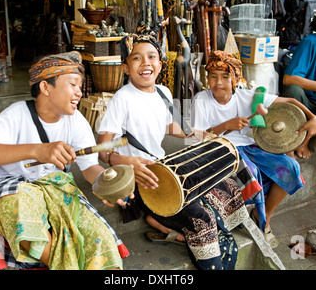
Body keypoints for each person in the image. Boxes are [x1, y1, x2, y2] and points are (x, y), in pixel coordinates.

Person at [97, 33, 251, 270]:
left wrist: (200, 134)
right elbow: (102, 147)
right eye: (136, 58)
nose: (146, 63)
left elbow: (169, 125)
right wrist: (125, 160)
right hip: (143, 178)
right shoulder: (122, 98)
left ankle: (169, 227)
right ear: (126, 67)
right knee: (201, 217)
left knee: (227, 186)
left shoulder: (163, 92)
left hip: (165, 166)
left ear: (160, 63)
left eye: (151, 57)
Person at [0, 51, 128, 270]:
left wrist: (105, 185)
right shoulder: (16, 114)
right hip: (15, 187)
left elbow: (89, 166)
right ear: (45, 87)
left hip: (57, 188)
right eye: (73, 84)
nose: (79, 92)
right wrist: (37, 150)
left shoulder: (76, 121)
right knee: (20, 214)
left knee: (99, 236)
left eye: (80, 86)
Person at [192, 50, 316, 248]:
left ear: (235, 79)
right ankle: (256, 223)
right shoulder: (201, 99)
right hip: (222, 150)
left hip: (250, 148)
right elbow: (196, 138)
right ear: (207, 78)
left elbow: (291, 102)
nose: (218, 83)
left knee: (290, 166)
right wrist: (225, 126)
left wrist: (312, 117)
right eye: (213, 76)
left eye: (225, 76)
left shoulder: (247, 97)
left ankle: (264, 214)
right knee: (252, 173)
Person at [282, 15, 316, 158]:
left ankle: (307, 137)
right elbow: (288, 79)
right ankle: (298, 140)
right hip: (306, 103)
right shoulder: (310, 42)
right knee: (292, 90)